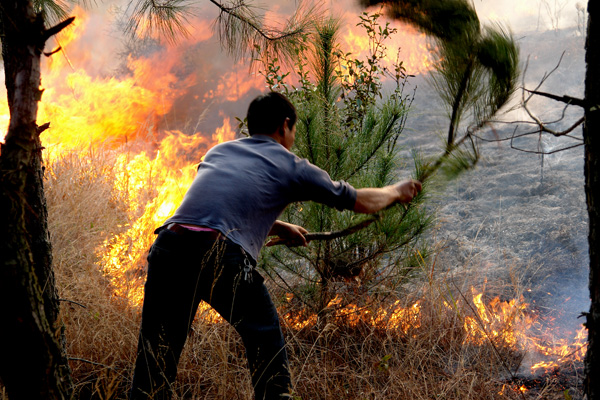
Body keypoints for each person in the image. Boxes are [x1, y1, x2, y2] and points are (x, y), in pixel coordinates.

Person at [129, 92, 422, 400]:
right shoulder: (291, 165)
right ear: (285, 126)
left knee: (155, 358)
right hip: (219, 254)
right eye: (293, 130)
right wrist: (395, 191)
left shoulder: (220, 152)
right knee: (266, 343)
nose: (293, 137)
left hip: (169, 247)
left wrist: (281, 226)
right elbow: (359, 201)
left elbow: (219, 205)